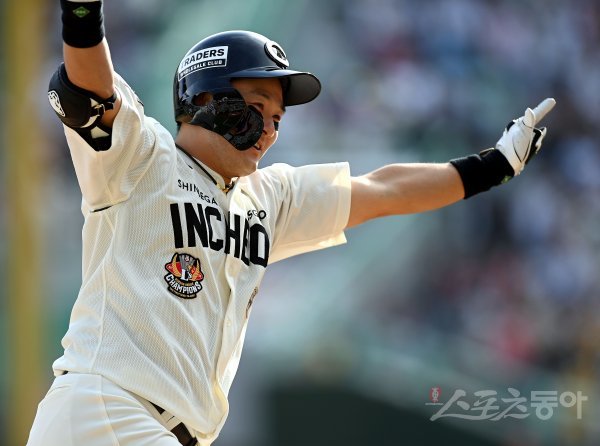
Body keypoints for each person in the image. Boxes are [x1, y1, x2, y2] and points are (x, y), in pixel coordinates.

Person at [29, 1, 555, 445]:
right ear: (206, 98)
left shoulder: (269, 198)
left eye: (278, 118)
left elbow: (383, 190)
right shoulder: (143, 158)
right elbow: (90, 87)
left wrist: (491, 166)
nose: (270, 129)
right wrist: (83, 12)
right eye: (259, 105)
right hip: (107, 411)